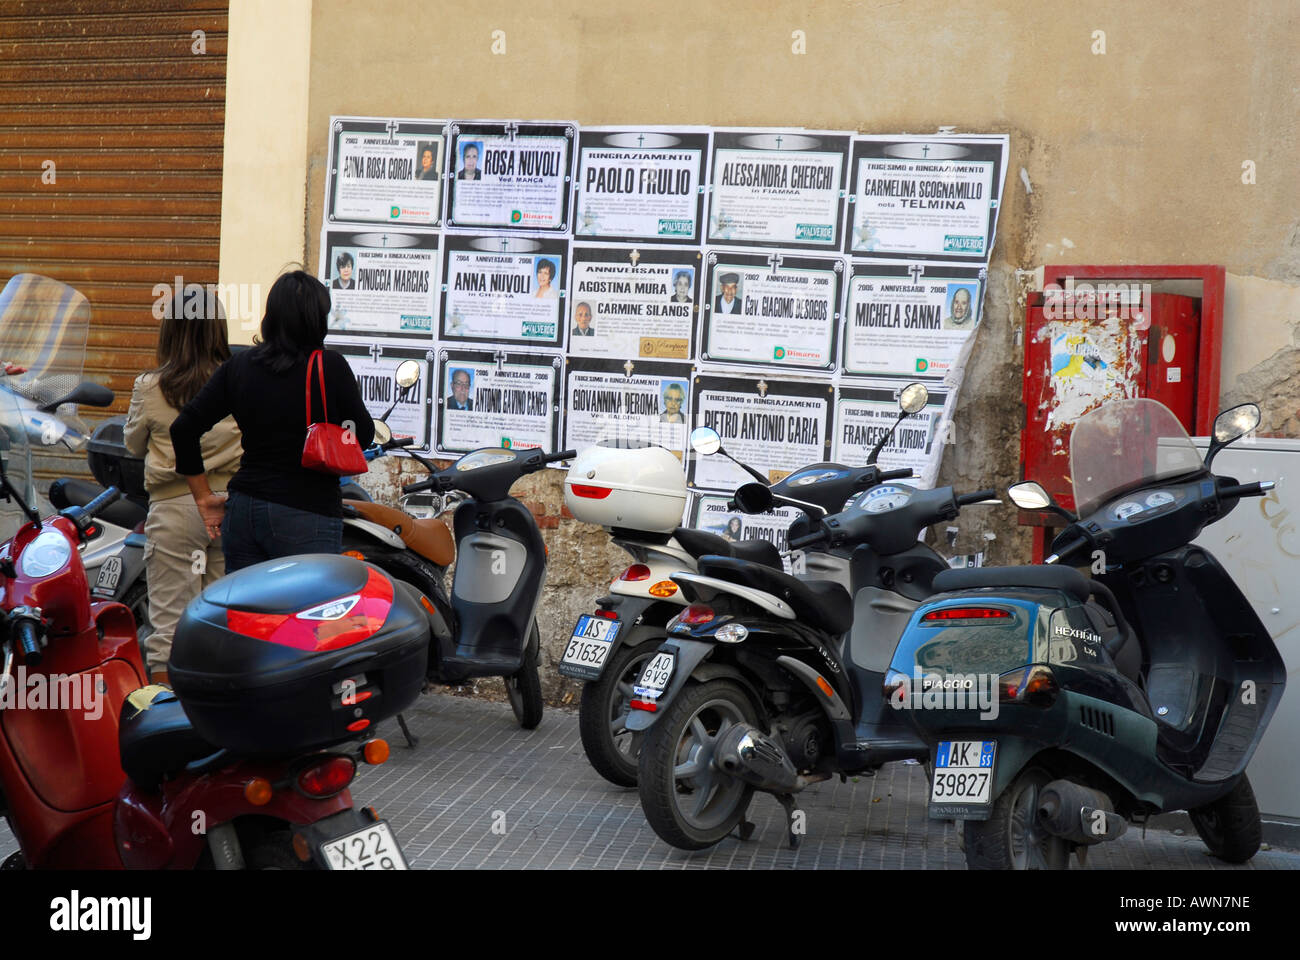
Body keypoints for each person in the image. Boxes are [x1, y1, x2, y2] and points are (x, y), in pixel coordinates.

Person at [171, 270, 374, 572]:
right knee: (306, 602)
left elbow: (183, 429)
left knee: (246, 603)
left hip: (245, 511)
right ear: (316, 319)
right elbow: (363, 436)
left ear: (272, 315)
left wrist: (203, 497)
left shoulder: (238, 366)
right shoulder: (329, 366)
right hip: (307, 514)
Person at [124, 290, 241, 684]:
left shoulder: (150, 386)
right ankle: (219, 714)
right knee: (223, 628)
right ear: (218, 329)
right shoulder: (238, 381)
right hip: (227, 510)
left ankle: (167, 716)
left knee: (169, 633)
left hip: (173, 512)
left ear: (170, 332)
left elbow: (133, 444)